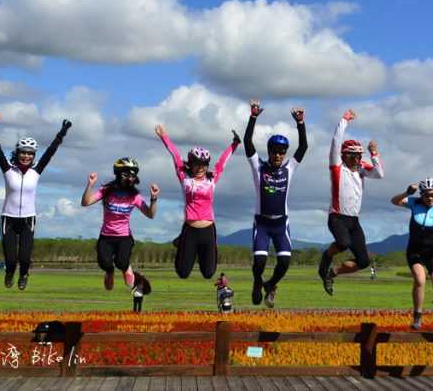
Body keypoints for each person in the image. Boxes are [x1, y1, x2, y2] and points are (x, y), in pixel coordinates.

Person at [0, 113, 72, 290]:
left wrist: (62, 132)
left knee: (25, 258)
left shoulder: (36, 171)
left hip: (28, 219)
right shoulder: (7, 169)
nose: (26, 156)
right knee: (11, 259)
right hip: (8, 219)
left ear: (33, 156)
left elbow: (51, 151)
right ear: (17, 153)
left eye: (29, 153)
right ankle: (10, 272)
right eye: (23, 152)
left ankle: (24, 274)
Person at [243, 99, 307, 308]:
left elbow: (304, 147)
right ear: (269, 151)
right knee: (260, 261)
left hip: (281, 224)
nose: (279, 155)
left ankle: (270, 284)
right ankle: (256, 282)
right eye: (275, 151)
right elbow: (247, 143)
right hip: (262, 224)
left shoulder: (289, 169)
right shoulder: (258, 167)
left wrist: (300, 123)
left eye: (282, 152)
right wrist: (253, 117)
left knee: (285, 262)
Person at [154, 124, 240, 279]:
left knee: (208, 273)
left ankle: (202, 249)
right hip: (190, 229)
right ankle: (182, 242)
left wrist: (234, 144)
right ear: (191, 164)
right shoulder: (184, 177)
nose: (201, 168)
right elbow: (175, 156)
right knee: (182, 272)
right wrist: (164, 137)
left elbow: (223, 161)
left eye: (204, 165)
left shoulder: (212, 178)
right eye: (197, 164)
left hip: (208, 229)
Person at [317, 109, 384, 296]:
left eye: (359, 155)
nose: (357, 158)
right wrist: (344, 120)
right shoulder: (337, 166)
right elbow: (335, 141)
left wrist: (374, 153)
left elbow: (380, 174)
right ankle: (326, 257)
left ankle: (332, 273)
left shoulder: (362, 169)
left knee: (363, 261)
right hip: (337, 217)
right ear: (344, 155)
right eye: (353, 155)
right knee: (343, 243)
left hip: (354, 220)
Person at [81, 159, 158, 299]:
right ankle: (109, 271)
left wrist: (153, 199)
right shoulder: (106, 191)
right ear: (119, 174)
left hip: (124, 237)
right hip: (106, 237)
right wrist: (90, 185)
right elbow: (85, 203)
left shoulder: (134, 196)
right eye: (127, 175)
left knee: (122, 263)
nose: (130, 178)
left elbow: (150, 214)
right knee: (105, 264)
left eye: (133, 175)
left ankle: (131, 273)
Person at [391, 178, 433, 335]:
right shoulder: (414, 203)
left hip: (432, 253)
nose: (430, 198)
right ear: (421, 194)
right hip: (414, 252)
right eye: (427, 195)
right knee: (420, 280)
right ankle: (417, 315)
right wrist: (406, 193)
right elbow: (394, 201)